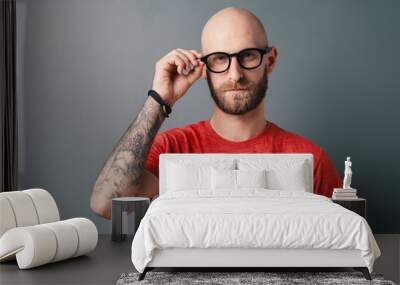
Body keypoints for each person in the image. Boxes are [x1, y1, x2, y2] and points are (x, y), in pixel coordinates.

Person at [90, 7, 341, 219]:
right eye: (220, 58)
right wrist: (159, 99)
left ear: (270, 60)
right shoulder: (172, 149)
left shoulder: (310, 160)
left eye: (248, 55)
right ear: (205, 68)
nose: (235, 75)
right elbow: (106, 204)